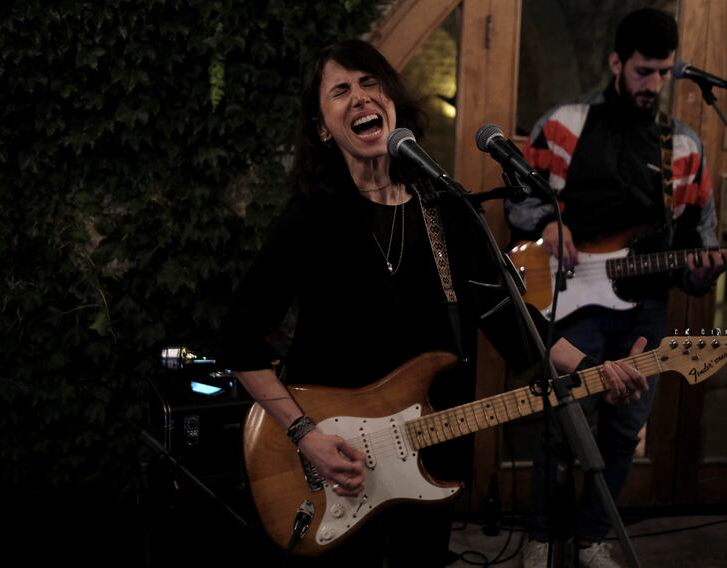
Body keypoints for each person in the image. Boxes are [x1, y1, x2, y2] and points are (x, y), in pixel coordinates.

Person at [220, 39, 649, 567]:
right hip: (332, 462)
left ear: (393, 104)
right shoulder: (311, 218)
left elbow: (511, 320)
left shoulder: (445, 209)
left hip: (428, 455)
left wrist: (595, 369)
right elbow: (239, 339)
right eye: (341, 91)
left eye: (370, 83)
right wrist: (306, 436)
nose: (360, 98)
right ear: (321, 128)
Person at [505, 8, 727, 568]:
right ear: (616, 63)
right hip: (572, 294)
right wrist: (546, 223)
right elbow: (518, 194)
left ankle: (592, 538)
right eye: (642, 72)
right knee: (564, 420)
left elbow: (695, 244)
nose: (653, 85)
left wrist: (704, 271)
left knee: (626, 425)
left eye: (662, 73)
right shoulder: (564, 123)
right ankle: (539, 534)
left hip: (645, 306)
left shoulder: (682, 147)